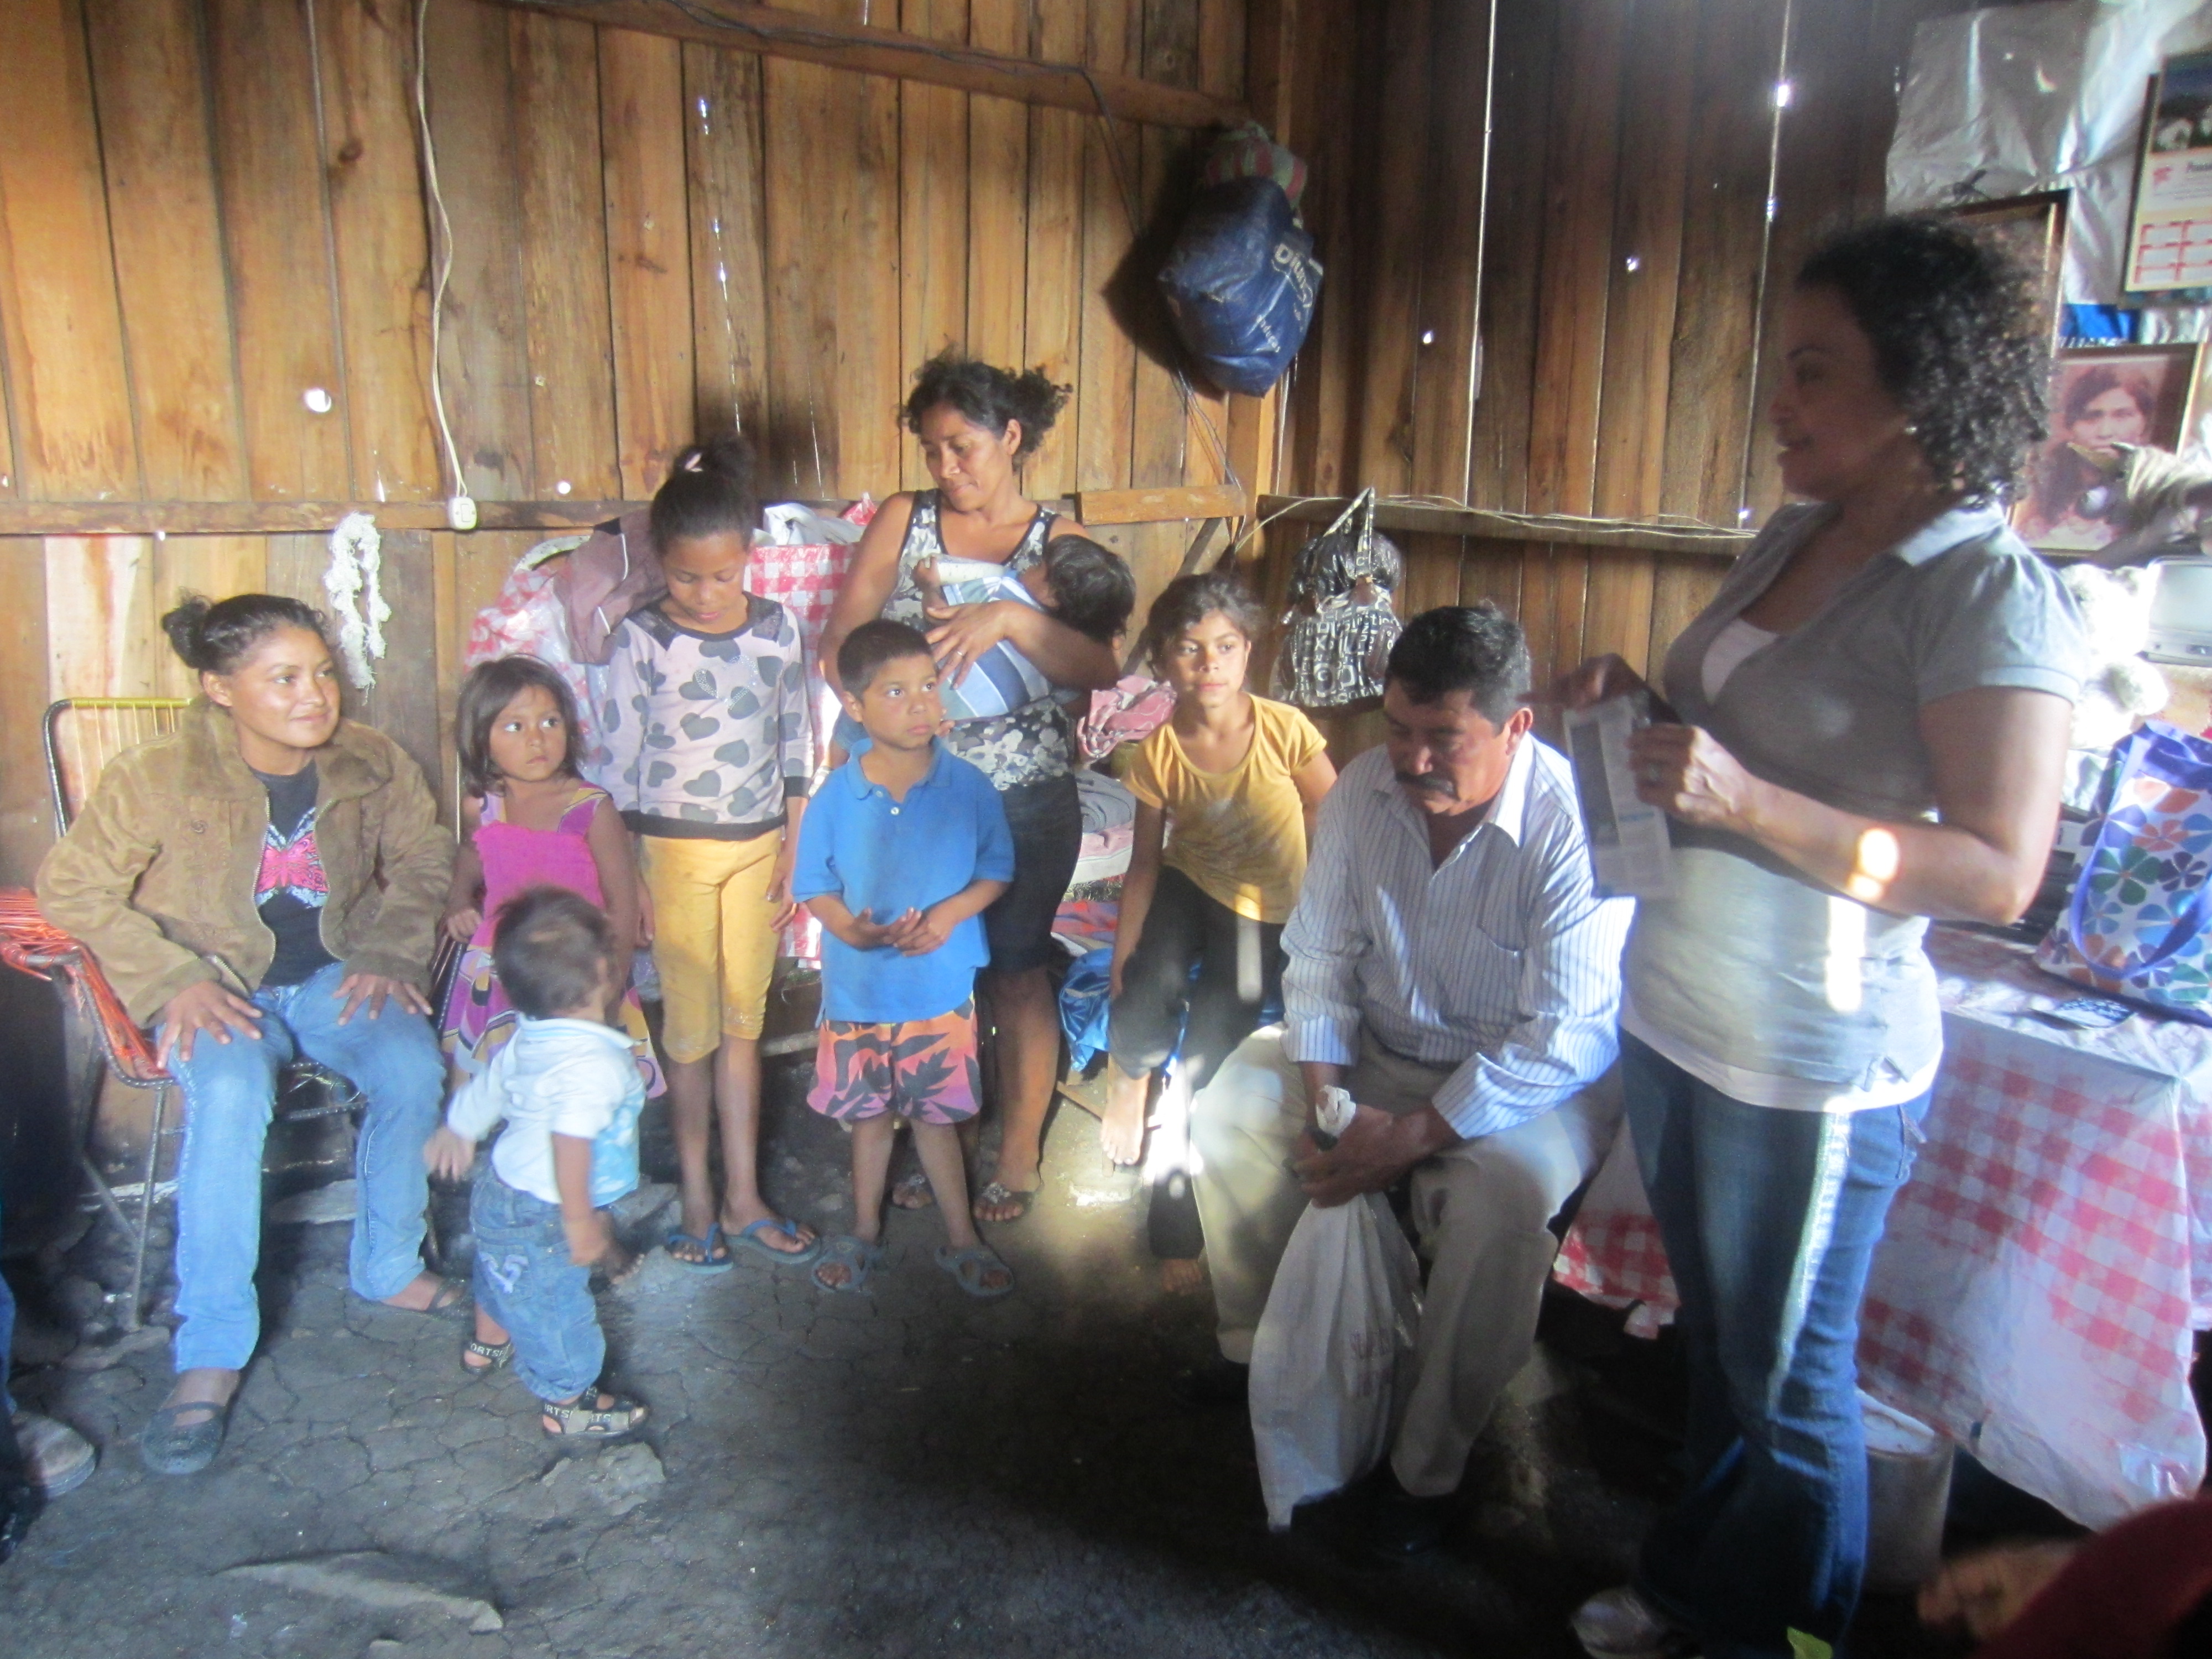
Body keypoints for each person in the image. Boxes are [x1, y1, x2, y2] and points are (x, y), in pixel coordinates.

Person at [1563, 215, 2086, 1659]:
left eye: (1812, 372)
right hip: (1678, 1014)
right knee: (1729, 1357)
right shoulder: (1800, 531)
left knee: (1792, 1382)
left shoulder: (1987, 596)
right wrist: (1639, 711)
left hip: (1811, 1064)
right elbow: (1731, 740)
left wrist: (1744, 797)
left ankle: (1779, 1630)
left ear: (1919, 388)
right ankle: (1697, 1590)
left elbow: (1997, 873)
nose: (1777, 406)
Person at [1187, 603, 1632, 1557]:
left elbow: (1566, 1039)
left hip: (1523, 1082)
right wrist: (1324, 1098)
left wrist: (1413, 1135)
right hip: (1379, 1045)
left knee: (1504, 1209)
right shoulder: (1359, 792)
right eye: (1398, 728)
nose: (1414, 758)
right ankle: (1263, 1352)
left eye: (1445, 738)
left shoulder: (1573, 825)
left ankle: (1424, 1470)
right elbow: (1319, 960)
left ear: (1516, 728)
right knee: (1230, 1109)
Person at [36, 594, 456, 1475]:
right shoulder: (157, 776)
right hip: (212, 984)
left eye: (324, 675)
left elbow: (425, 859)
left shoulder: (371, 762)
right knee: (231, 1091)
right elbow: (73, 890)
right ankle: (212, 1350)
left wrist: (387, 949)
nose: (316, 697)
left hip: (335, 971)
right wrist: (172, 980)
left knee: (412, 1067)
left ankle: (386, 1266)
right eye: (285, 680)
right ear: (220, 689)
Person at [820, 351, 1121, 1224]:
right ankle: (941, 1137)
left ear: (1012, 437)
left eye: (963, 447)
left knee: (1019, 973)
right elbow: (844, 640)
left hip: (1025, 796)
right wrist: (889, 696)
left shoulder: (1057, 547)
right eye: (933, 451)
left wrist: (1012, 619)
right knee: (933, 972)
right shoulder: (903, 522)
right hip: (915, 802)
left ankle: (1018, 1148)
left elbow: (1101, 664)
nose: (947, 469)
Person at [599, 436, 820, 1272]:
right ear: (660, 561)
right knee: (687, 1034)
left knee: (744, 1025)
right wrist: (632, 884)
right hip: (674, 858)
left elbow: (797, 742)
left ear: (748, 559)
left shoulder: (778, 631)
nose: (705, 594)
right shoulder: (642, 639)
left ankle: (744, 1197)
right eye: (687, 577)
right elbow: (617, 770)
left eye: (724, 576)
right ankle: (698, 1200)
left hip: (760, 852)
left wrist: (796, 845)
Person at [1105, 572, 1337, 1296]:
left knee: (1208, 1052)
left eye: (1226, 647)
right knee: (1147, 984)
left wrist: (1327, 919)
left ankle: (1174, 1211)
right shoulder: (1157, 753)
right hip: (1188, 881)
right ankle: (1127, 1080)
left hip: (1265, 912)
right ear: (1164, 662)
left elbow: (1338, 820)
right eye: (1190, 649)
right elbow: (1144, 864)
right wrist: (1122, 956)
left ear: (1248, 651)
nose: (1210, 665)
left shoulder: (1283, 729)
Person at [793, 622, 1017, 1298]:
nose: (921, 704)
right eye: (896, 692)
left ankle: (962, 1238)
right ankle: (863, 1230)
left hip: (937, 991)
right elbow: (814, 887)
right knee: (866, 1120)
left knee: (936, 1119)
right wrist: (851, 932)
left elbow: (996, 871)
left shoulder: (969, 786)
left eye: (928, 685)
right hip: (859, 993)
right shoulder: (837, 794)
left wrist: (948, 917)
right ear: (855, 708)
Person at [425, 888, 649, 1443]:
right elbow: (569, 1145)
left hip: (502, 1186)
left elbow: (494, 1084)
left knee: (504, 1272)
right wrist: (581, 1223)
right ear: (604, 971)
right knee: (555, 1306)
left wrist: (459, 1127)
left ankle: (490, 1343)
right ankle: (567, 1399)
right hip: (548, 1205)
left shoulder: (533, 1034)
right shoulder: (592, 1065)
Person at [440, 656, 660, 1095]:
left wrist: (607, 989)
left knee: (585, 1095)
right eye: (514, 727)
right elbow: (471, 853)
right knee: (499, 1092)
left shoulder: (589, 808)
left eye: (550, 722)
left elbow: (621, 903)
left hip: (579, 976)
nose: (537, 740)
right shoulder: (483, 804)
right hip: (500, 972)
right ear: (481, 738)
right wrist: (458, 902)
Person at [911, 533, 1136, 721]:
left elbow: (937, 614)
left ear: (1052, 596)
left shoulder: (1000, 588)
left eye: (1040, 566)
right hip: (963, 719)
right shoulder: (1059, 659)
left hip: (919, 691)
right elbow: (1078, 707)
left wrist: (929, 587)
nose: (1028, 567)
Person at [2017, 364, 2159, 549]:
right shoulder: (2038, 487)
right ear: (2071, 426)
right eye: (2091, 417)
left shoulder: (2158, 495)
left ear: (2144, 424)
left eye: (2122, 416)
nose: (2105, 432)